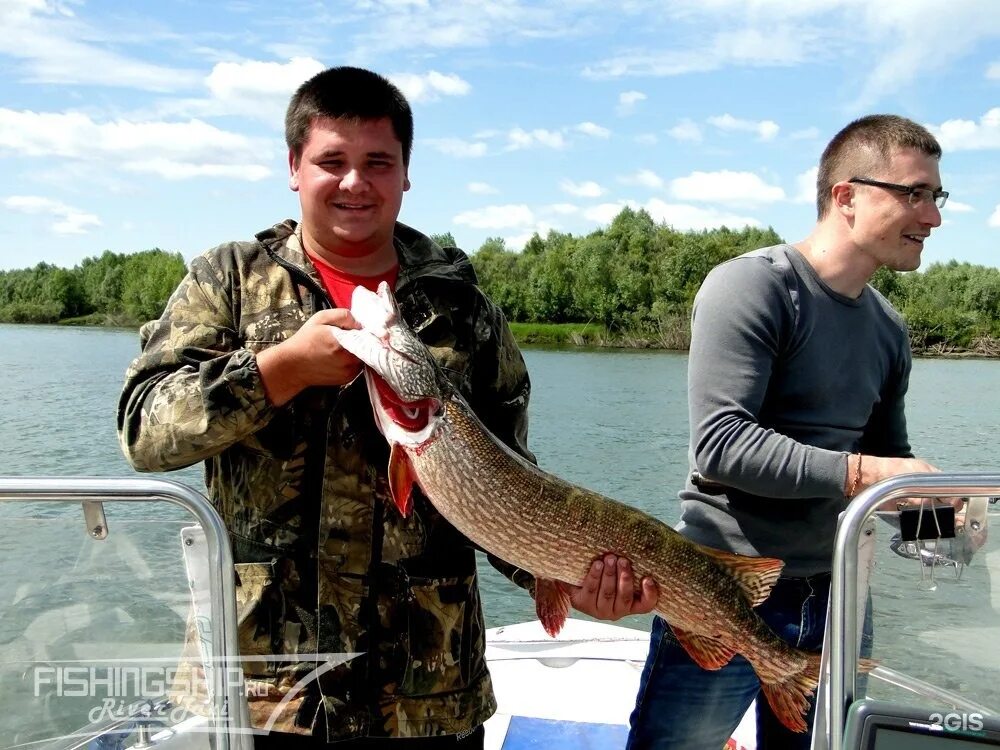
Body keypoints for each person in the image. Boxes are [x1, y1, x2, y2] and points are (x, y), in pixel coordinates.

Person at [117, 66, 655, 748]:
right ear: (293, 167)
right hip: (268, 688)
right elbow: (142, 430)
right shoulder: (228, 281)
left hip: (427, 689)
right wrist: (277, 370)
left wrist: (568, 577)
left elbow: (509, 481)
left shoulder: (462, 307)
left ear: (405, 174)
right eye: (331, 161)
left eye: (378, 162)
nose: (354, 182)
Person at [625, 114, 954, 750]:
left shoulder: (889, 330)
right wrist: (865, 473)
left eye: (936, 197)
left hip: (837, 597)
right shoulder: (752, 286)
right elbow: (720, 444)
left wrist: (938, 519)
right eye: (914, 194)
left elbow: (888, 461)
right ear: (847, 197)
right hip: (722, 588)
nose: (932, 217)